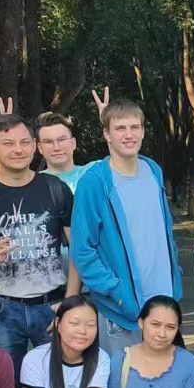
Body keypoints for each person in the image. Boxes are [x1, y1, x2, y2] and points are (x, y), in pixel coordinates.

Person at [0, 114, 79, 374]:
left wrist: (71, 300)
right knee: (4, 383)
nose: (18, 150)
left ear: (34, 145)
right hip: (1, 310)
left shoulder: (56, 189)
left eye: (24, 142)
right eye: (8, 143)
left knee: (59, 380)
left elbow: (78, 250)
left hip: (52, 303)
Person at [71, 98, 182, 355]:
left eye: (135, 127)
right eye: (120, 128)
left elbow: (164, 231)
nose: (129, 134)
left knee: (164, 376)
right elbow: (83, 251)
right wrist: (116, 291)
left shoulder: (153, 170)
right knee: (124, 379)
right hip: (123, 312)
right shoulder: (94, 182)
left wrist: (175, 275)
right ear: (106, 134)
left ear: (143, 131)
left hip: (164, 305)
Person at [35, 110, 92, 192]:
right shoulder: (33, 184)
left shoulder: (94, 171)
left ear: (73, 143)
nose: (56, 148)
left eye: (62, 140)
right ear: (40, 148)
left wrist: (108, 122)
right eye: (48, 142)